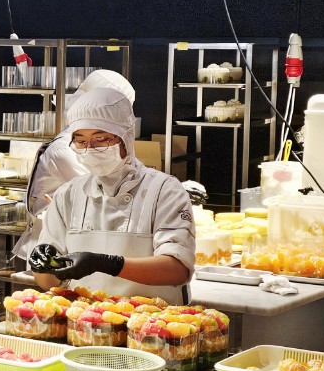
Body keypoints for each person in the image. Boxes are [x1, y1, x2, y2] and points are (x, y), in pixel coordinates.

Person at [27, 87, 195, 304]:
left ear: (126, 137)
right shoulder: (68, 194)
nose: (90, 148)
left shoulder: (164, 190)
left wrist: (107, 264)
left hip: (153, 320)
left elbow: (177, 270)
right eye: (80, 141)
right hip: (86, 319)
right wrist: (41, 265)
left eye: (101, 138)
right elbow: (49, 283)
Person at [13, 70, 136, 258]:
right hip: (52, 248)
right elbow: (105, 197)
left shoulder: (100, 145)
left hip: (82, 242)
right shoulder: (66, 149)